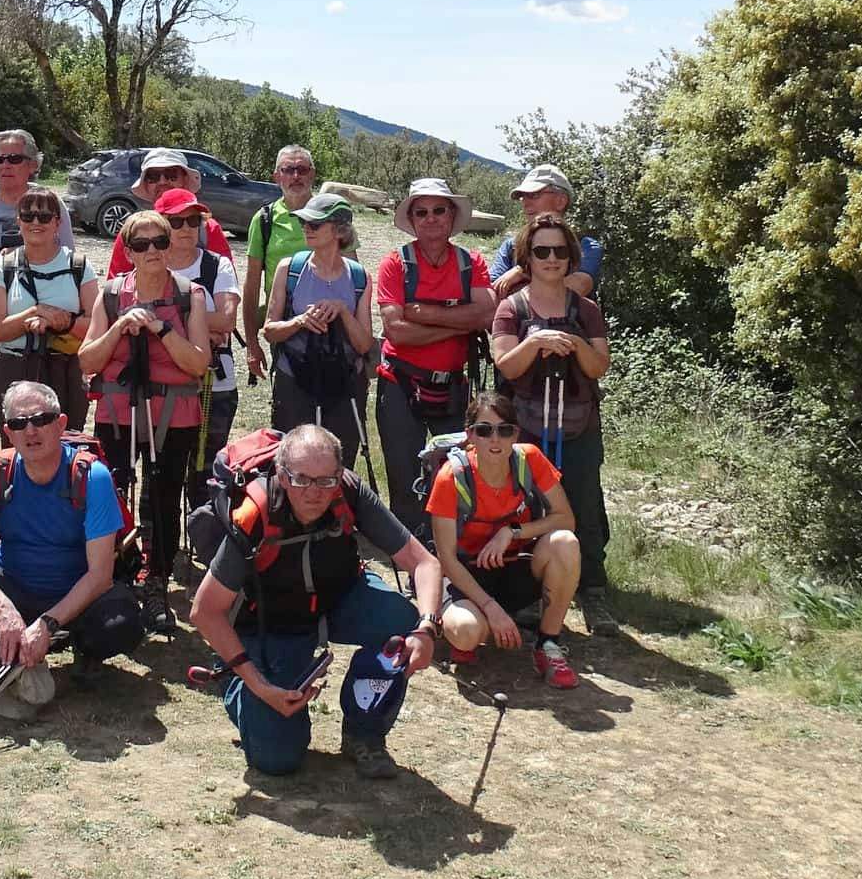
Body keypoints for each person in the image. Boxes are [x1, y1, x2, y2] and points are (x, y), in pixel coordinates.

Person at [189, 424, 444, 779]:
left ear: (339, 474)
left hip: (338, 599)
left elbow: (424, 563)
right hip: (267, 625)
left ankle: (364, 733)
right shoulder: (253, 513)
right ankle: (236, 679)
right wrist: (260, 687)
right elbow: (205, 611)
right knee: (278, 760)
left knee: (401, 623)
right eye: (301, 479)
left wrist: (427, 629)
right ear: (281, 473)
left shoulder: (350, 492)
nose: (315, 492)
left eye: (326, 481)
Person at [0, 381, 147, 721]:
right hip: (14, 588)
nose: (30, 430)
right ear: (8, 433)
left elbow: (100, 575)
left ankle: (77, 652)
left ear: (60, 424)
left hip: (76, 596)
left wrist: (47, 623)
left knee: (122, 625)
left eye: (41, 419)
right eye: (18, 423)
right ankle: (13, 647)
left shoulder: (93, 478)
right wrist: (4, 611)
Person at [77, 209, 210, 619]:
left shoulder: (191, 295)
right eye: (141, 244)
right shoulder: (112, 295)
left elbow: (199, 363)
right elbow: (87, 360)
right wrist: (119, 328)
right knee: (110, 494)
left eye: (160, 242)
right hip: (118, 411)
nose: (152, 251)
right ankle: (114, 577)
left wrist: (161, 329)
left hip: (175, 414)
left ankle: (157, 582)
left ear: (170, 247)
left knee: (165, 499)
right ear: (129, 250)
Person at [489, 213, 616, 635]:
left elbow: (599, 367)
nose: (551, 258)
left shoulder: (587, 310)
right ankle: (529, 595)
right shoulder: (511, 308)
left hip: (578, 426)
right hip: (526, 427)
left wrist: (576, 342)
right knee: (524, 506)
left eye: (560, 251)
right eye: (541, 250)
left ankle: (592, 594)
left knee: (582, 508)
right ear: (527, 256)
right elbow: (505, 367)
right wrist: (535, 342)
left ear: (571, 257)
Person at [428, 393, 582, 688]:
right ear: (470, 435)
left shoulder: (530, 459)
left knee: (565, 542)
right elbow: (446, 558)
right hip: (464, 573)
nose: (495, 439)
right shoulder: (452, 476)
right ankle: (451, 621)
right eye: (484, 430)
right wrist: (490, 607)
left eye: (504, 430)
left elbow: (566, 519)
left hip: (511, 565)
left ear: (516, 433)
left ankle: (548, 644)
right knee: (468, 632)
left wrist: (511, 532)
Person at [373, 177, 496, 531]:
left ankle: (449, 547)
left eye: (439, 210)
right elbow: (396, 331)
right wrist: (460, 324)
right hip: (399, 381)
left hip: (453, 386)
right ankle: (409, 551)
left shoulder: (470, 262)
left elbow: (486, 315)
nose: (431, 218)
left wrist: (422, 313)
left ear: (451, 214)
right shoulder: (395, 263)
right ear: (411, 219)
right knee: (402, 470)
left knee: (454, 467)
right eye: (422, 211)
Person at [0, 130, 73, 433]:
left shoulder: (51, 204)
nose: (6, 165)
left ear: (33, 164)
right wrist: (6, 267)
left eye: (15, 158)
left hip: (46, 331)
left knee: (40, 411)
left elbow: (70, 263)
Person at [260, 193, 375, 468]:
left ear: (339, 230)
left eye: (314, 224)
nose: (306, 229)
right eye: (304, 223)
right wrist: (299, 321)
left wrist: (343, 311)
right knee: (291, 461)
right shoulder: (290, 269)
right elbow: (270, 330)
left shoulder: (360, 277)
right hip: (295, 381)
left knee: (339, 465)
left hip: (344, 383)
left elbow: (363, 345)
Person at [0, 183, 90, 425]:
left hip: (66, 371)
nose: (36, 222)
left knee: (68, 445)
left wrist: (63, 322)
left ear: (57, 222)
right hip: (15, 368)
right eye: (28, 215)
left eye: (44, 216)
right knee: (18, 446)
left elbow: (95, 328)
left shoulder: (79, 266)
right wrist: (37, 312)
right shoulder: (2, 266)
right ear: (18, 221)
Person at [157, 187, 241, 489]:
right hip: (161, 384)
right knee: (161, 477)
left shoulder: (218, 265)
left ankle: (204, 536)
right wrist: (204, 326)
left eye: (193, 221)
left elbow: (227, 319)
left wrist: (165, 319)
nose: (187, 229)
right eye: (177, 222)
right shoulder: (150, 266)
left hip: (213, 385)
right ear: (161, 223)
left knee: (205, 478)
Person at [243, 144, 319, 382]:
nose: (295, 176)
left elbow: (353, 274)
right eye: (288, 170)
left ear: (312, 174)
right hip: (283, 329)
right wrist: (251, 344)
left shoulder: (331, 215)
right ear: (277, 176)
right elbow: (252, 284)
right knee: (289, 407)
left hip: (329, 323)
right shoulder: (264, 219)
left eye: (302, 169)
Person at [103, 148, 231, 274]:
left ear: (185, 180)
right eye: (153, 177)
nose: (162, 181)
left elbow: (226, 279)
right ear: (146, 185)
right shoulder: (132, 230)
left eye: (172, 175)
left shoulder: (208, 228)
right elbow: (115, 287)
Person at [487, 165, 603, 299]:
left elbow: (577, 287)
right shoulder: (511, 246)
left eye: (534, 195)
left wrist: (522, 272)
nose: (525, 203)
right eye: (523, 197)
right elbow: (491, 294)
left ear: (561, 201)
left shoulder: (586, 247)